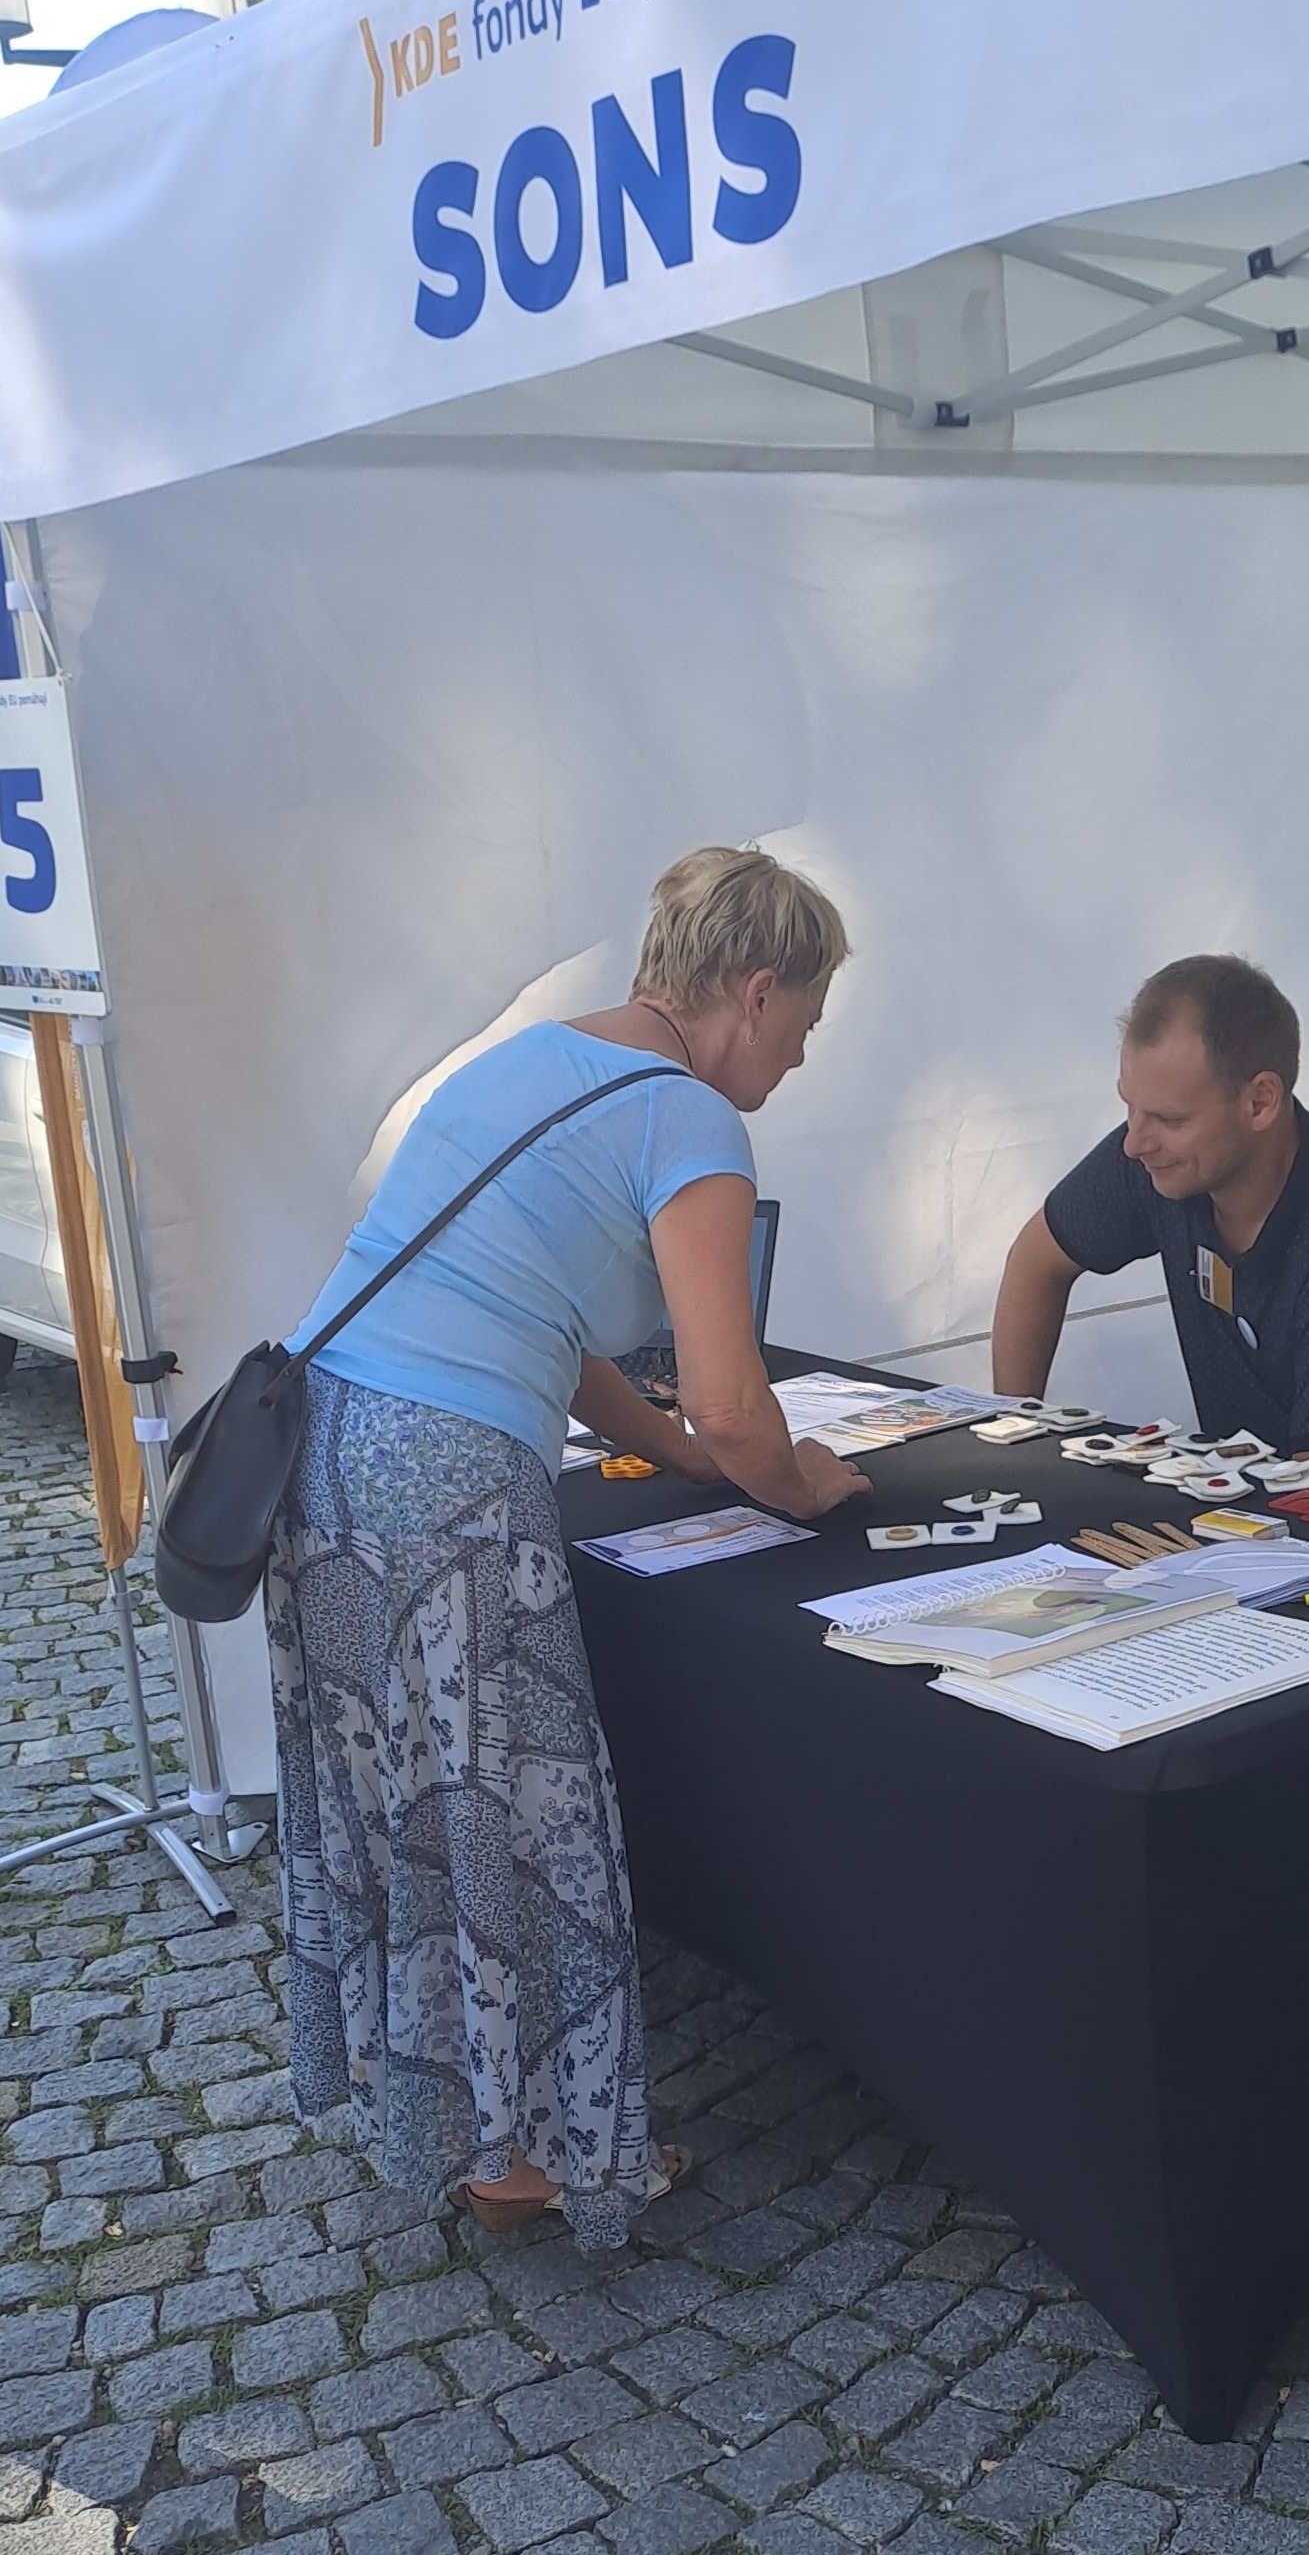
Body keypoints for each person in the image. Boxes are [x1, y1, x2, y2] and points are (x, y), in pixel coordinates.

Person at [267, 843, 867, 2250]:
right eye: (805, 1019)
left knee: (416, 1804)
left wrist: (676, 1453)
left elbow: (551, 1323)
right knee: (518, 1817)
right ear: (755, 989)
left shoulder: (532, 1059)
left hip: (324, 1441)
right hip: (448, 1481)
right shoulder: (691, 1120)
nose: (800, 1054)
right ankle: (536, 2154)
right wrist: (795, 1484)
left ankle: (450, 2119)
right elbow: (735, 1397)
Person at [990, 953, 1309, 1469]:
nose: (1134, 1143)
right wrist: (1016, 1437)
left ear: (1260, 1102)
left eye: (1169, 1118)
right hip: (1245, 1501)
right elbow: (1036, 1260)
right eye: (1129, 1106)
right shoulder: (1165, 1160)